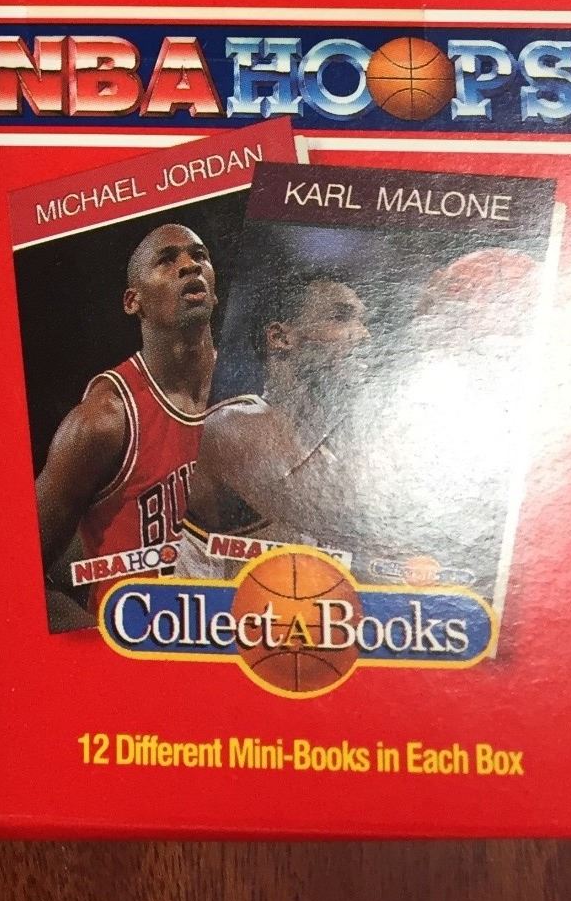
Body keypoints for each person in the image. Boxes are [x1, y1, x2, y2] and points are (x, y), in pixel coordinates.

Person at [34, 223, 220, 627]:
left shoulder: (245, 391)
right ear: (134, 301)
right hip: (137, 647)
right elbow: (16, 567)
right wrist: (104, 646)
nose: (190, 266)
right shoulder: (104, 419)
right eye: (167, 261)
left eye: (199, 256)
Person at [181, 271, 370, 568]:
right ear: (281, 338)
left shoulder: (322, 450)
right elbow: (359, 526)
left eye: (362, 321)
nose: (364, 335)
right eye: (341, 317)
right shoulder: (236, 424)